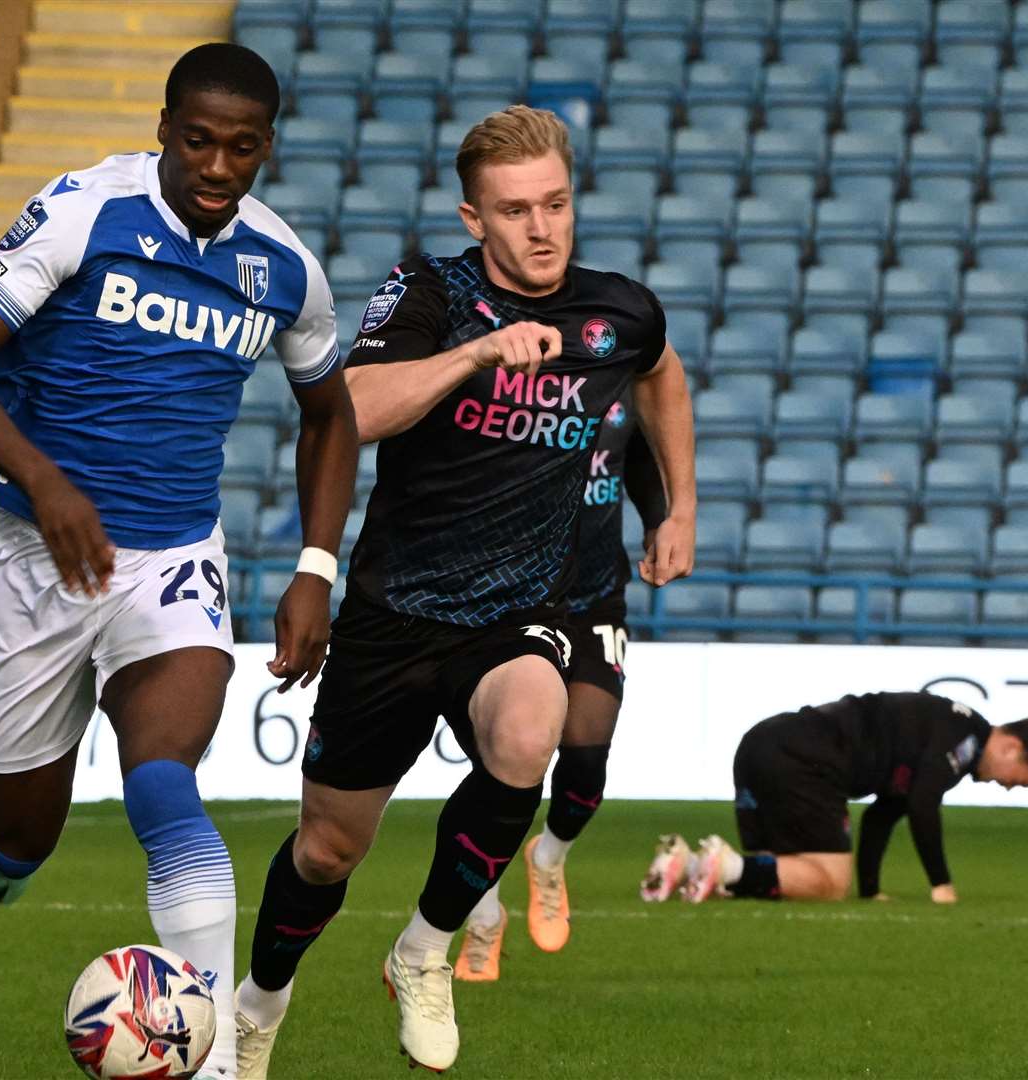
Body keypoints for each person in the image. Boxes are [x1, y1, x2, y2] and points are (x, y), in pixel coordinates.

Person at [0, 42, 358, 1079]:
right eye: (196, 140)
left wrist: (314, 567)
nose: (214, 165)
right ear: (163, 129)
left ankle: (204, 1063)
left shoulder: (281, 267)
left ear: (263, 150)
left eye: (239, 148)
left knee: (165, 782)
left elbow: (328, 418)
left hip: (172, 562)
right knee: (23, 836)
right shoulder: (83, 215)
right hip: (39, 558)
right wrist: (44, 479)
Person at [235, 105, 696, 1076]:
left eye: (556, 204)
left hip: (514, 616)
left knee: (529, 733)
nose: (540, 228)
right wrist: (478, 354)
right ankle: (259, 1000)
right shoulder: (427, 294)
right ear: (470, 218)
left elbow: (659, 377)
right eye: (514, 210)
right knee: (326, 850)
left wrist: (678, 506)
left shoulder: (618, 310)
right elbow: (351, 412)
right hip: (396, 614)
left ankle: (422, 950)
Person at [453, 406, 667, 983]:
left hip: (596, 598)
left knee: (587, 761)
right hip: (513, 597)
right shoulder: (520, 385)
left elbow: (638, 451)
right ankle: (482, 913)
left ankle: (548, 857)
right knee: (498, 768)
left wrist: (659, 519)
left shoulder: (619, 367)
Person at [640, 692, 1028, 905]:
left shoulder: (948, 733)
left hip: (762, 744)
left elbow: (885, 813)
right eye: (1021, 780)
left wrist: (871, 892)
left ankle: (689, 866)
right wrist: (941, 885)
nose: (1010, 787)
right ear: (1012, 749)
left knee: (783, 877)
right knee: (829, 883)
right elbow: (921, 806)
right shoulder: (965, 741)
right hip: (804, 761)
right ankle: (722, 863)